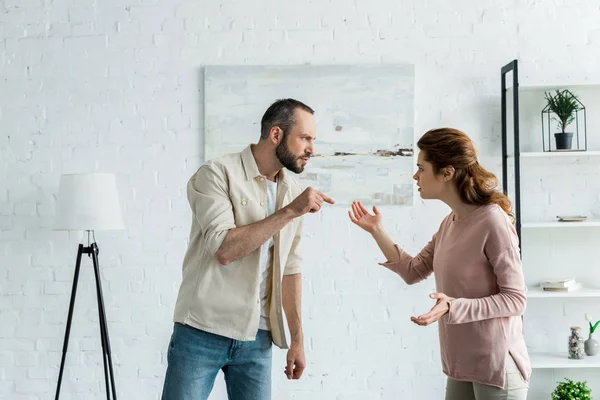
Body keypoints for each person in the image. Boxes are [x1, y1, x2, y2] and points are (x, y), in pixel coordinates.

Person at [162, 98, 335, 400]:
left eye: (313, 140)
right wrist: (289, 211)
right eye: (305, 138)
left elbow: (290, 268)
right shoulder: (216, 174)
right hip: (201, 331)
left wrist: (297, 340)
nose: (312, 149)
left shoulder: (292, 191)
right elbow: (224, 249)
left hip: (258, 338)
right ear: (277, 135)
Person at [348, 128, 531, 400]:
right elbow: (413, 271)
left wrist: (453, 306)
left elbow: (516, 299)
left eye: (421, 168)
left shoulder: (493, 221)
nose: (415, 176)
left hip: (497, 364)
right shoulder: (450, 223)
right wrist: (377, 231)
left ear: (447, 172)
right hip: (460, 363)